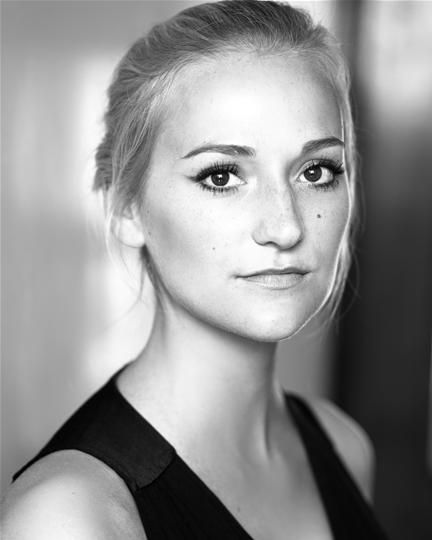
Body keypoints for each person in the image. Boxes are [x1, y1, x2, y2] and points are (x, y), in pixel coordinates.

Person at [1, 1, 389, 538]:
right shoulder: (69, 518)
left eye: (316, 171)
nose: (285, 227)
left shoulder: (345, 447)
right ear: (127, 209)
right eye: (222, 176)